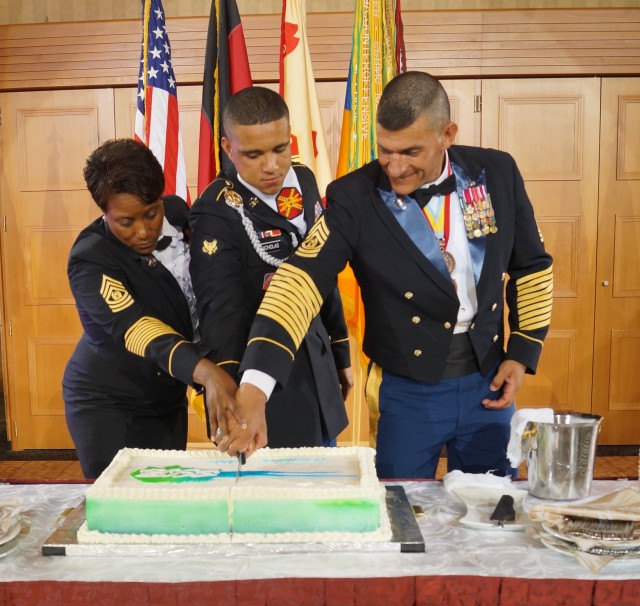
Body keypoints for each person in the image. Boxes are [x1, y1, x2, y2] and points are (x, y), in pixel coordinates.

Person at [219, 72, 554, 479]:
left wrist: (522, 353)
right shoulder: (354, 196)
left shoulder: (496, 173)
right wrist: (255, 386)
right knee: (400, 509)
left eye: (410, 151)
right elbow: (300, 280)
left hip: (488, 379)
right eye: (385, 150)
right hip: (407, 389)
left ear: (447, 134)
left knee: (490, 508)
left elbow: (532, 266)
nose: (395, 167)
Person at [63, 138, 244, 479]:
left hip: (166, 396)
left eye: (151, 213)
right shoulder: (90, 259)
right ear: (104, 212)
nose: (144, 231)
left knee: (163, 496)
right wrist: (206, 372)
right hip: (109, 401)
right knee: (120, 507)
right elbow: (138, 328)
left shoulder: (179, 212)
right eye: (126, 222)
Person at [189, 86, 352, 448]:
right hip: (260, 381)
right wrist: (236, 406)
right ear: (229, 149)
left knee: (322, 488)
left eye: (280, 148)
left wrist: (340, 351)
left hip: (316, 366)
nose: (272, 166)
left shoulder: (304, 179)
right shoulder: (215, 211)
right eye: (253, 154)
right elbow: (221, 316)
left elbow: (320, 274)